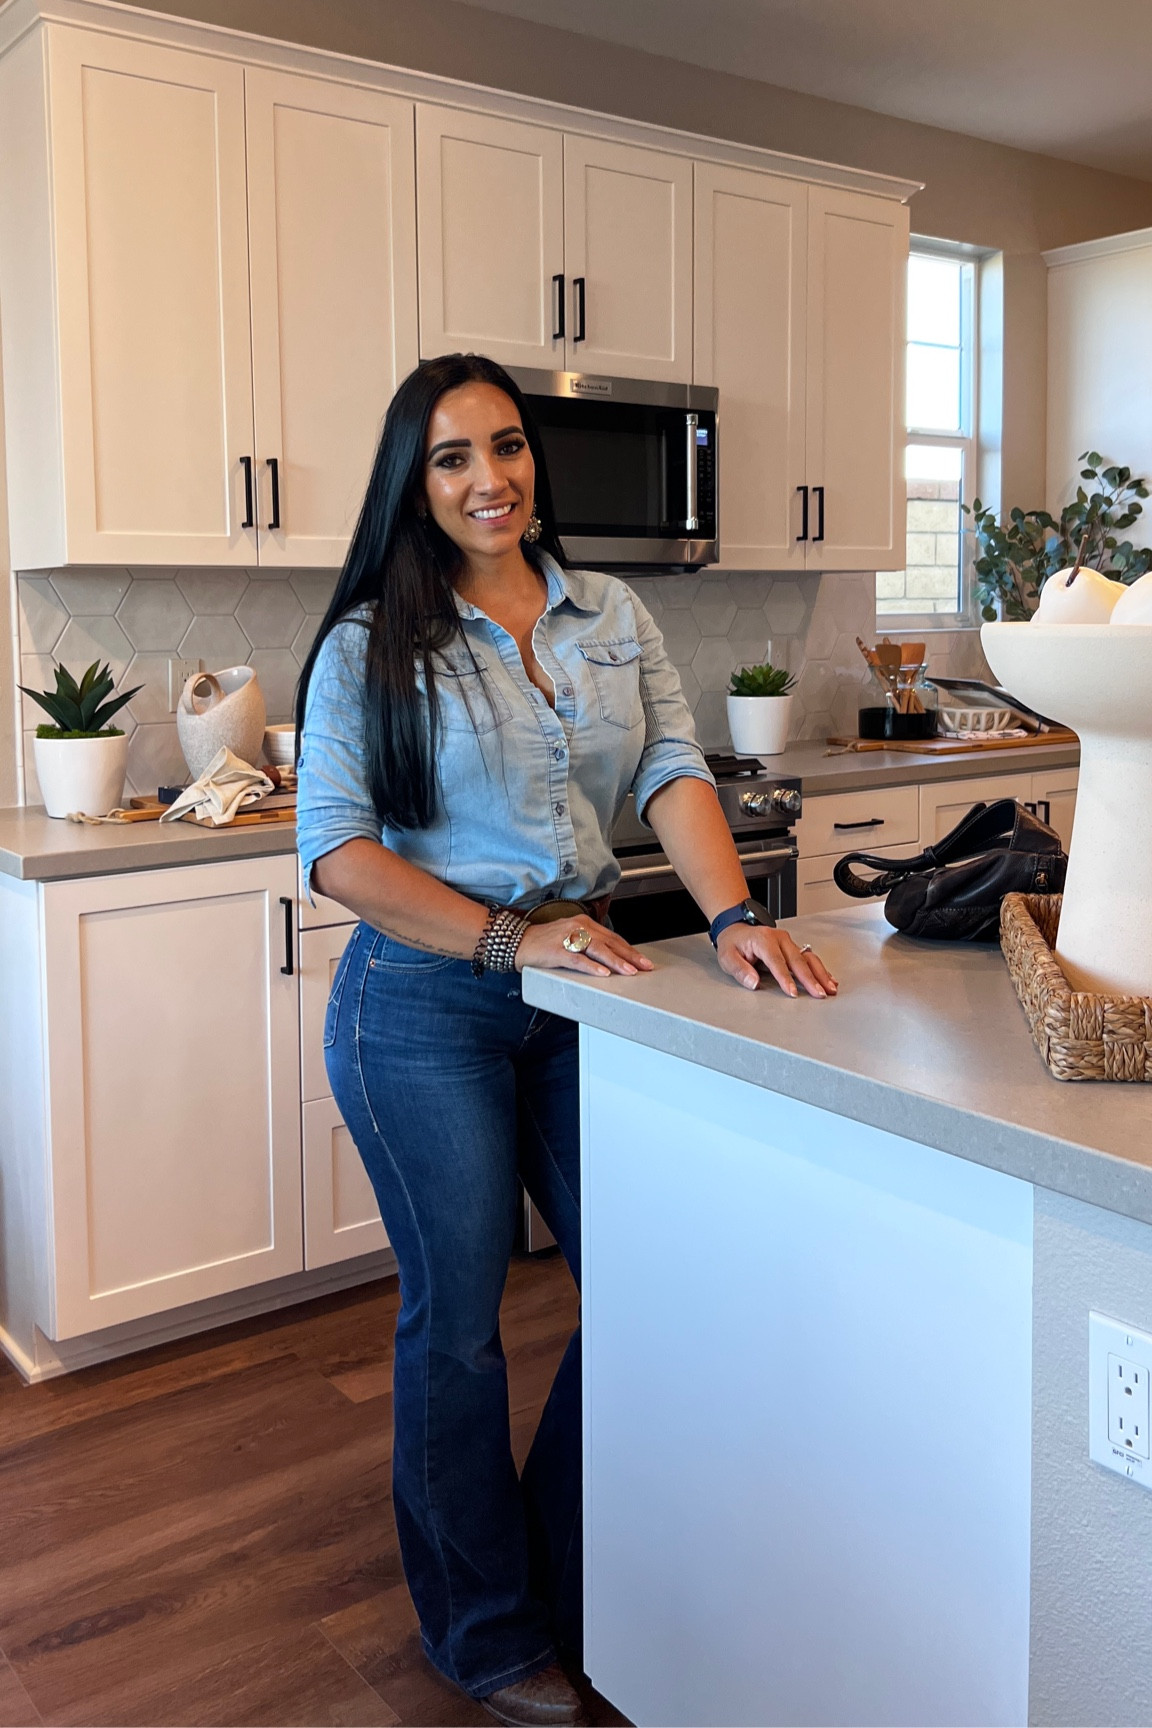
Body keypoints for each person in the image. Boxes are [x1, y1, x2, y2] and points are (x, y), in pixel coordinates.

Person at [294, 353, 837, 1726]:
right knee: (460, 1331)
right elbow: (340, 855)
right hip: (423, 1005)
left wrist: (728, 916)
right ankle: (484, 1630)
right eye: (454, 457)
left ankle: (564, 1569)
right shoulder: (373, 641)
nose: (492, 478)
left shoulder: (609, 612)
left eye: (509, 446)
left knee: (654, 1278)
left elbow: (669, 767)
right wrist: (502, 939)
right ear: (412, 488)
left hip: (588, 986)